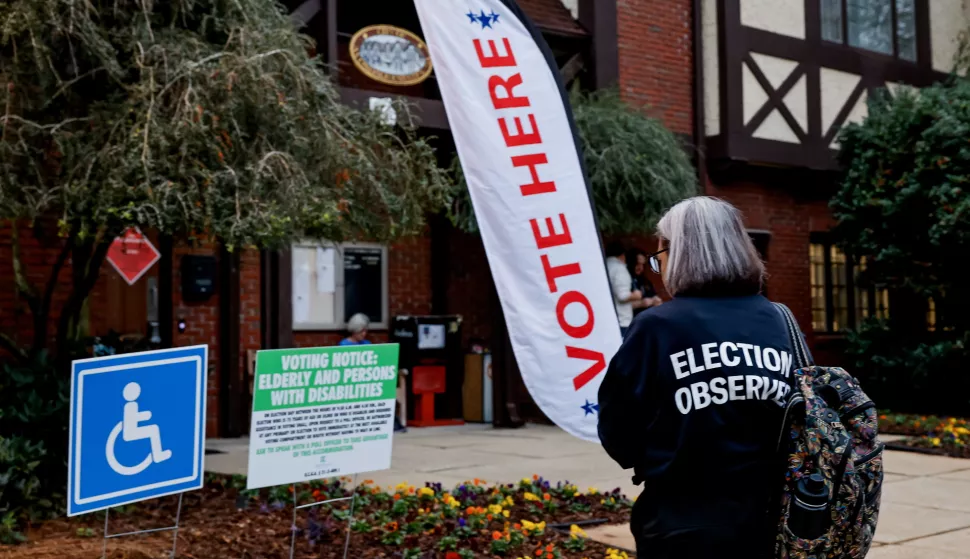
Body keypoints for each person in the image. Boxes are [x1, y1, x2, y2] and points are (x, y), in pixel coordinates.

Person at [598, 196, 802, 559]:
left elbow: (618, 432)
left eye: (660, 258)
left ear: (682, 254)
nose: (662, 270)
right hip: (775, 520)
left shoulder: (657, 328)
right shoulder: (780, 321)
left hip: (682, 523)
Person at [339, 314, 406, 432]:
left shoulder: (367, 344)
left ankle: (391, 422)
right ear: (354, 331)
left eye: (365, 331)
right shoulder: (344, 345)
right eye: (361, 331)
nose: (363, 334)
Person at [605, 241, 642, 338]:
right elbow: (623, 296)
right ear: (622, 255)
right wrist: (637, 294)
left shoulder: (604, 266)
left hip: (609, 319)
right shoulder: (619, 269)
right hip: (623, 320)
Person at [626, 248, 663, 316]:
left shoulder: (644, 280)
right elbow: (619, 305)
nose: (641, 268)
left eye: (643, 265)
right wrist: (640, 304)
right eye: (637, 264)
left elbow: (653, 295)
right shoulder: (624, 279)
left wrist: (656, 300)